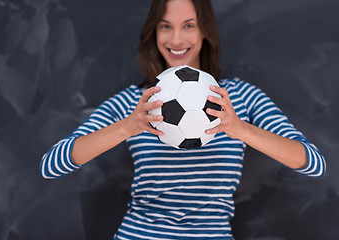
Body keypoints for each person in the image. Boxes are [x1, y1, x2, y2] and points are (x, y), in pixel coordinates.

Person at [40, 0, 326, 239]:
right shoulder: (135, 102)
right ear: (154, 33)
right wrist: (128, 126)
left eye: (188, 26)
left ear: (205, 32)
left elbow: (314, 163)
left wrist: (241, 130)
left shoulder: (240, 97)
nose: (176, 40)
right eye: (166, 27)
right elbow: (51, 165)